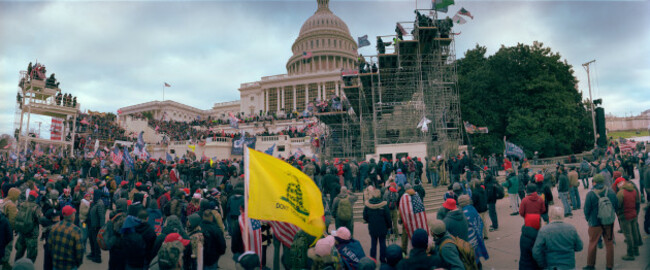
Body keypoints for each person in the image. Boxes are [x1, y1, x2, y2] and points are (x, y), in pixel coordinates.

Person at [583, 174, 618, 270]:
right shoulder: (611, 192)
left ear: (594, 182)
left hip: (594, 223)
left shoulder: (590, 194)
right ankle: (609, 266)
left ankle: (590, 265)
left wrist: (588, 219)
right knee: (609, 243)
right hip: (608, 222)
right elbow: (616, 205)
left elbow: (586, 209)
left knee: (592, 243)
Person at [48, 205, 84, 270]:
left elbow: (49, 247)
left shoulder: (54, 227)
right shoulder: (76, 230)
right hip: (70, 266)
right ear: (72, 217)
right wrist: (77, 264)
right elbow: (80, 251)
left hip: (56, 265)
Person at [458, 195, 489, 266]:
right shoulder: (472, 209)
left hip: (470, 240)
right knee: (476, 260)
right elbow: (479, 222)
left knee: (473, 261)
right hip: (476, 238)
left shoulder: (464, 212)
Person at [615, 178, 641, 260]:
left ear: (620, 184)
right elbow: (637, 202)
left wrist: (619, 213)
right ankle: (636, 250)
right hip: (633, 214)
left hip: (625, 215)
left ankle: (630, 254)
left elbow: (618, 205)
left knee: (628, 235)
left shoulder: (620, 193)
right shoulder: (633, 190)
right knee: (634, 232)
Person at [363, 189, 392, 263]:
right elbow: (388, 217)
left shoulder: (368, 205)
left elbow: (365, 216)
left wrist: (369, 221)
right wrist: (389, 226)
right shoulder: (383, 205)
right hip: (383, 227)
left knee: (373, 244)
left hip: (372, 227)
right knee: (383, 244)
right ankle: (382, 259)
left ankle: (373, 260)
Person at [14, 190, 43, 263]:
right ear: (35, 198)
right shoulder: (36, 207)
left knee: (19, 253)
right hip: (31, 234)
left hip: (22, 233)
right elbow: (40, 219)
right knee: (31, 255)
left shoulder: (22, 204)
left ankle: (16, 266)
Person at [87, 189, 106, 263]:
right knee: (91, 240)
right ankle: (93, 253)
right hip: (92, 225)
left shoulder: (100, 204)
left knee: (96, 242)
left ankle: (97, 257)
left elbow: (102, 217)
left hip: (96, 226)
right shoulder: (94, 202)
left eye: (93, 194)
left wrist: (102, 228)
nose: (92, 195)